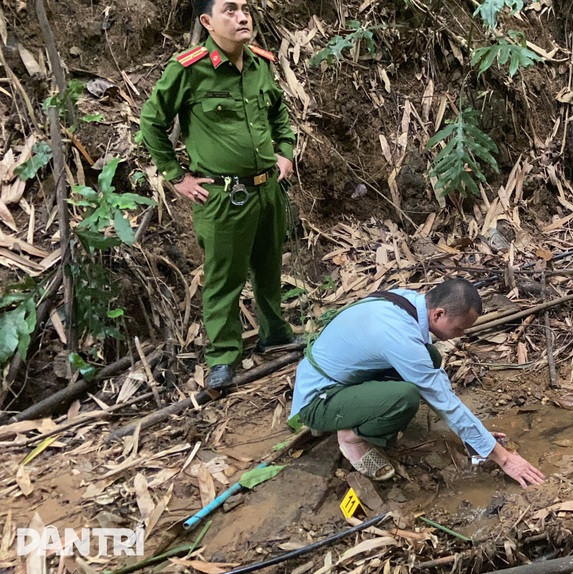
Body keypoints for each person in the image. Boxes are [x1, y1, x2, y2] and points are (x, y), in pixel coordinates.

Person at [139, 0, 299, 391]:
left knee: (269, 267)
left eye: (245, 8)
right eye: (230, 10)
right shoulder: (189, 69)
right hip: (224, 197)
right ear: (207, 22)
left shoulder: (260, 64)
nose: (243, 16)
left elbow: (278, 113)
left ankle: (274, 334)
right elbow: (152, 122)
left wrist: (285, 152)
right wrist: (177, 177)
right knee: (224, 279)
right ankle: (225, 357)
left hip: (267, 190)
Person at [289, 278, 546, 487]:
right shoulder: (400, 337)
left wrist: (477, 439)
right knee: (405, 397)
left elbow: (437, 384)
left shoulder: (408, 302)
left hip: (339, 375)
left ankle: (356, 411)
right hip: (318, 400)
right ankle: (351, 436)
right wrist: (502, 458)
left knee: (431, 357)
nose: (462, 335)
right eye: (459, 328)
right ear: (439, 314)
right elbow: (443, 401)